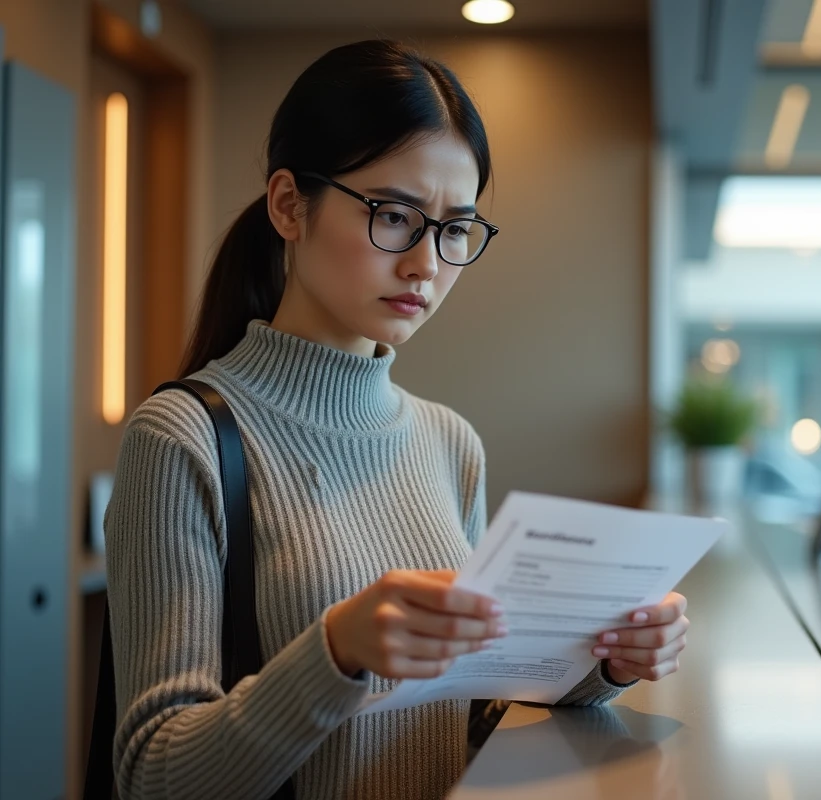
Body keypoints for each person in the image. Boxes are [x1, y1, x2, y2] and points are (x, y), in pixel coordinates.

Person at [105, 41, 689, 800]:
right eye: (393, 215)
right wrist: (338, 654)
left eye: (455, 229)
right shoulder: (180, 439)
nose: (426, 264)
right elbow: (153, 773)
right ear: (289, 204)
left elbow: (470, 706)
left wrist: (606, 658)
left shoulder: (449, 441)